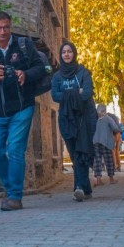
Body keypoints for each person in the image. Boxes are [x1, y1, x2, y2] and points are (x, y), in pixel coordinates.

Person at [0, 11, 46, 211]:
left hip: (22, 107)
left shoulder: (23, 46)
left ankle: (14, 196)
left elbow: (41, 68)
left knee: (15, 150)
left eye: (5, 27)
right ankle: (10, 186)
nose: (2, 31)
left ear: (10, 26)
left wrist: (25, 74)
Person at [50, 41, 96, 202]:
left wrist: (68, 93)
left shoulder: (84, 72)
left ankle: (79, 187)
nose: (67, 54)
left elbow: (87, 93)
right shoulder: (57, 76)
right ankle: (86, 188)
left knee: (81, 151)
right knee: (74, 152)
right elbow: (55, 96)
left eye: (69, 51)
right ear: (61, 55)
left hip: (84, 118)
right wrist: (77, 91)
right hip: (66, 119)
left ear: (74, 53)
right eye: (64, 52)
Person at [93, 105, 120, 186]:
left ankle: (98, 180)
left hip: (95, 142)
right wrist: (117, 132)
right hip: (106, 142)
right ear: (104, 111)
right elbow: (115, 128)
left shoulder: (95, 119)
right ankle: (111, 179)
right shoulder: (108, 118)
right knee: (108, 160)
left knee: (97, 161)